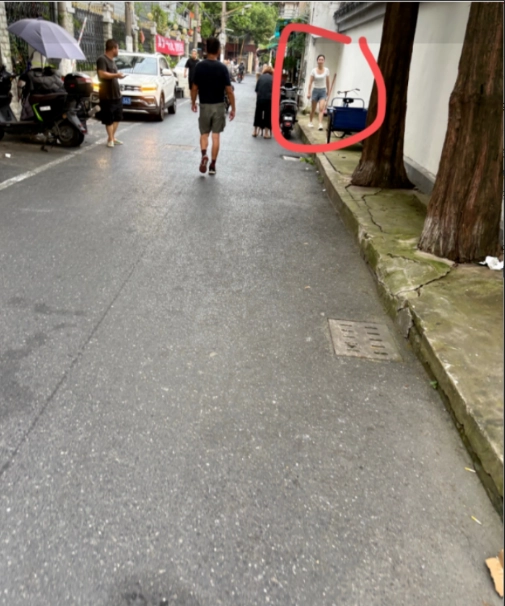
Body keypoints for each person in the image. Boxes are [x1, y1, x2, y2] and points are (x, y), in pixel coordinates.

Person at [191, 37, 236, 176]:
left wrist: (193, 102)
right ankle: (212, 166)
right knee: (216, 137)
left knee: (204, 134)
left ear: (206, 50)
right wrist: (233, 108)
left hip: (204, 105)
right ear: (218, 51)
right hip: (219, 106)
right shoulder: (222, 68)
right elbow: (229, 90)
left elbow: (194, 88)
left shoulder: (199, 66)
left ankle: (204, 154)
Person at [96, 39, 126, 148]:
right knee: (108, 118)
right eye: (117, 48)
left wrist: (118, 77)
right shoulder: (102, 59)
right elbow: (102, 74)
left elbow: (113, 76)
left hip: (116, 94)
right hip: (107, 95)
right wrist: (116, 75)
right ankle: (110, 139)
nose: (118, 51)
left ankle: (112, 138)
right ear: (113, 48)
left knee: (118, 117)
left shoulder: (112, 61)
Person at [306, 54, 330, 131]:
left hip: (323, 91)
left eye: (322, 59)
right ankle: (310, 122)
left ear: (324, 61)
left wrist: (328, 91)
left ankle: (320, 124)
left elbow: (327, 81)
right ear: (317, 61)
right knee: (313, 109)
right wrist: (309, 92)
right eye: (319, 59)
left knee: (321, 108)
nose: (320, 61)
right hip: (315, 91)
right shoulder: (313, 70)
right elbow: (310, 82)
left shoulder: (326, 70)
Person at [253, 64, 273, 139]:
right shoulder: (273, 78)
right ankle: (266, 133)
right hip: (269, 99)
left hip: (260, 99)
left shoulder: (260, 77)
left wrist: (258, 99)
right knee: (268, 115)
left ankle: (255, 131)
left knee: (258, 114)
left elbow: (256, 90)